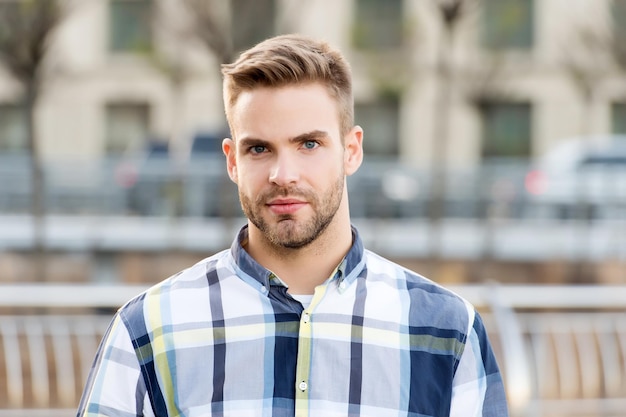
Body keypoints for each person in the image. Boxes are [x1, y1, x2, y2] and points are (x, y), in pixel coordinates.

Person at [77, 34, 508, 417]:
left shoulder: (447, 332)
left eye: (309, 144)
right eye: (259, 148)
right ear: (232, 160)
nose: (283, 173)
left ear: (351, 150)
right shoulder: (150, 329)